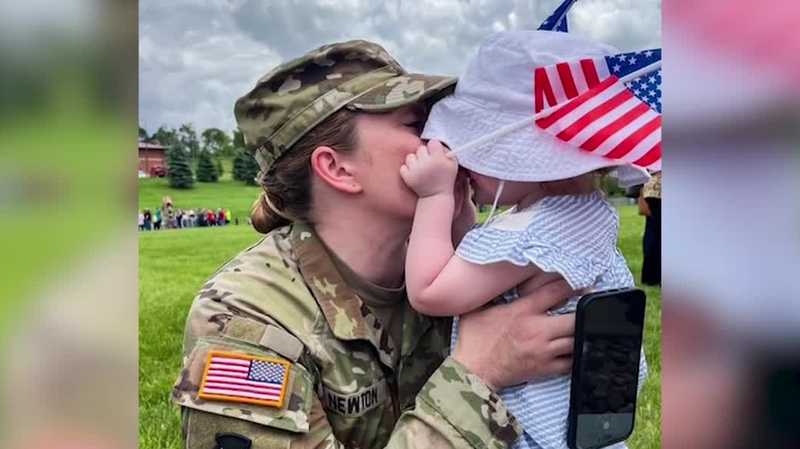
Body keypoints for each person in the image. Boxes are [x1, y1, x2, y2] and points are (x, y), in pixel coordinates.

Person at [172, 40, 579, 449]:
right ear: (337, 168)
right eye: (419, 125)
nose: (450, 140)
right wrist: (478, 373)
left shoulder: (467, 268)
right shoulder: (247, 318)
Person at [400, 31, 653, 449]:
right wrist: (461, 214)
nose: (463, 159)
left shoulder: (540, 231)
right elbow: (480, 274)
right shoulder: (575, 216)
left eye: (474, 149)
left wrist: (435, 196)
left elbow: (431, 291)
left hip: (536, 435)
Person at [639, 171, 661, 286]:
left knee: (652, 234)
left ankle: (650, 276)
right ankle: (656, 276)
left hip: (650, 189)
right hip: (658, 190)